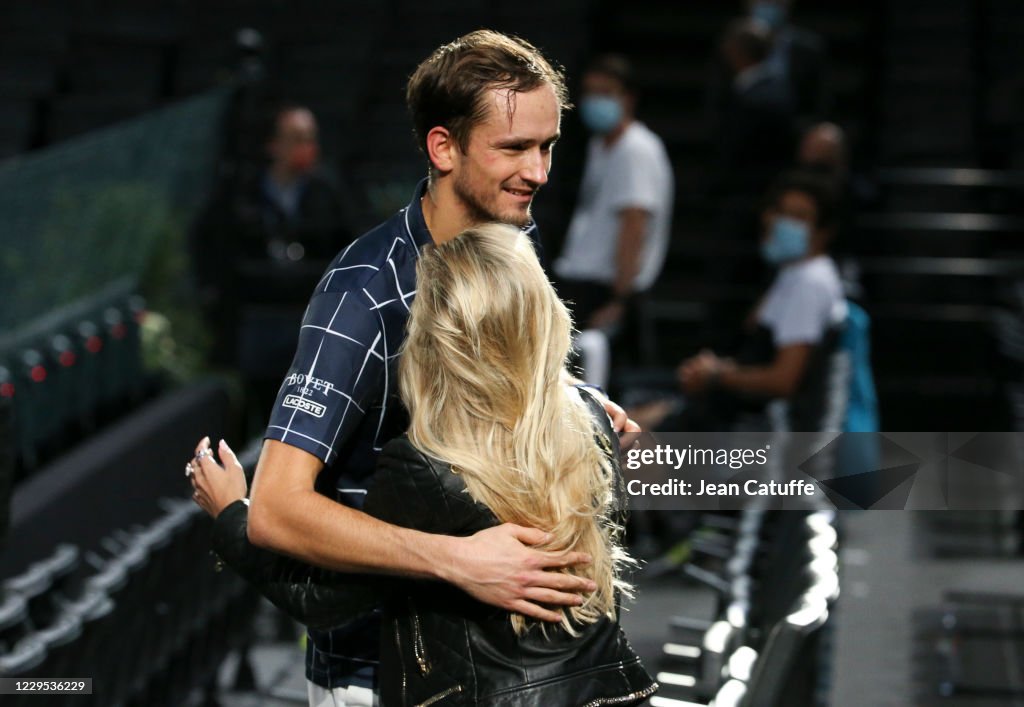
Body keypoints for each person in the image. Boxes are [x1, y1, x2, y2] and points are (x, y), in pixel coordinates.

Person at [191, 30, 639, 706]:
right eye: (514, 148)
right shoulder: (363, 294)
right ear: (443, 148)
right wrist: (459, 561)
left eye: (547, 147)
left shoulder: (516, 238)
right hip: (375, 677)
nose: (539, 172)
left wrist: (571, 397)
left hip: (509, 674)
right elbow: (278, 509)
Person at [191, 224, 658, 705]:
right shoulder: (596, 420)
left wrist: (230, 512)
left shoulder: (425, 469)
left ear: (438, 333)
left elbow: (320, 600)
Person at [192, 105, 353, 418]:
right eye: (296, 138)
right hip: (259, 323)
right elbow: (209, 245)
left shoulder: (328, 194)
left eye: (310, 138)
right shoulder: (242, 196)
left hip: (311, 322)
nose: (306, 147)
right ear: (274, 145)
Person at [679, 170, 848, 433]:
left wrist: (716, 375)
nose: (781, 223)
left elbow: (783, 380)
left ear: (823, 232)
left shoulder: (810, 282)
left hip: (763, 430)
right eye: (780, 211)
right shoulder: (790, 272)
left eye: (798, 217)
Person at [553, 55, 674, 389]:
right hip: (581, 280)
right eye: (591, 92)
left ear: (628, 98)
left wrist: (619, 300)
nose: (596, 101)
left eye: (606, 93)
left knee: (598, 390)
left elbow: (634, 224)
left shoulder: (636, 149)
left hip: (606, 290)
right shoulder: (600, 145)